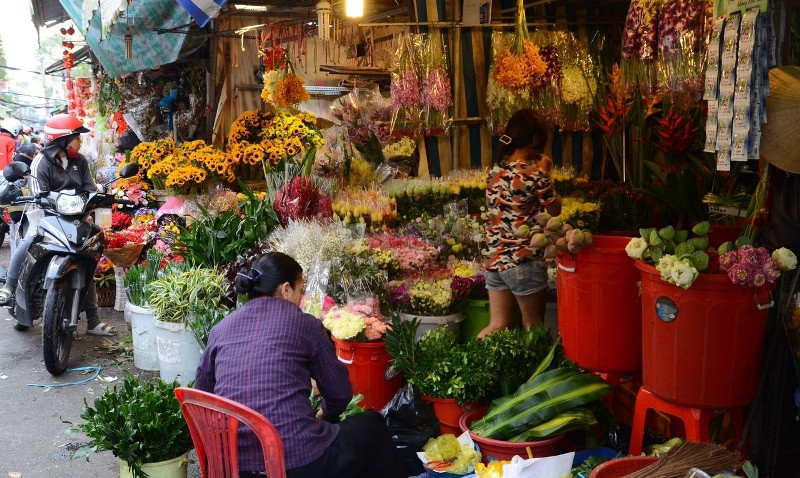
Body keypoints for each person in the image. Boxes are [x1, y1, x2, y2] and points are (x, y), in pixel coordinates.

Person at [195, 252, 404, 478]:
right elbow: (340, 394)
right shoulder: (304, 325)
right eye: (301, 290)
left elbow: (201, 396)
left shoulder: (221, 329)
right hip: (294, 462)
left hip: (229, 466)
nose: (302, 297)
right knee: (372, 425)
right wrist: (323, 414)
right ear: (286, 289)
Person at [0, 114, 116, 336]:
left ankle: (93, 321)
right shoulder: (40, 162)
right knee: (29, 240)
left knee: (87, 256)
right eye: (77, 138)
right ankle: (9, 286)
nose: (80, 143)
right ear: (63, 140)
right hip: (45, 216)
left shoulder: (80, 161)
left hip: (76, 217)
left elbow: (89, 188)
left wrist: (96, 201)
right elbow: (36, 192)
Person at [479, 109, 561, 339]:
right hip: (524, 260)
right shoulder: (534, 174)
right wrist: (546, 173)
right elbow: (555, 209)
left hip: (495, 259)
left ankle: (468, 363)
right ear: (535, 139)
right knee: (532, 327)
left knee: (498, 325)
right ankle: (534, 375)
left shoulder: (494, 171)